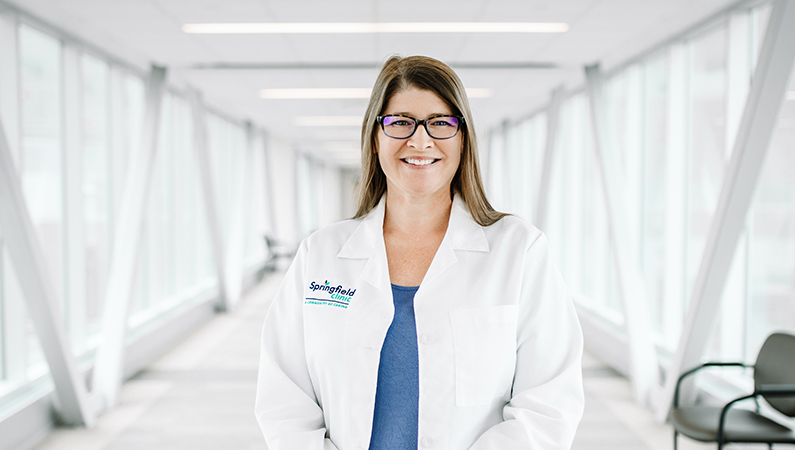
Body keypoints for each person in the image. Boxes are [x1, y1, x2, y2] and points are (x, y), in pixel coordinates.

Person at [255, 55, 584, 450]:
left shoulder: (519, 251)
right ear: (375, 138)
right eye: (401, 122)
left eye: (440, 123)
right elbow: (283, 399)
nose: (420, 140)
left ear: (463, 140)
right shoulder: (320, 255)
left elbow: (548, 405)